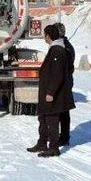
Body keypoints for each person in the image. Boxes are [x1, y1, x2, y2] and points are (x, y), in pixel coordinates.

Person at [27, 24, 75, 157]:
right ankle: (42, 142)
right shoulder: (55, 48)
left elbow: (57, 74)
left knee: (52, 120)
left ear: (48, 35)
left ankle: (53, 147)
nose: (44, 37)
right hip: (48, 91)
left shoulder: (58, 50)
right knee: (43, 117)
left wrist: (50, 93)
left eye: (45, 34)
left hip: (53, 93)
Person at [55, 22, 75, 146]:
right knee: (63, 111)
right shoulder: (67, 46)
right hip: (66, 81)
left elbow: (63, 68)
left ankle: (63, 137)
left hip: (63, 82)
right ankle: (63, 136)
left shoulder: (63, 47)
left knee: (62, 111)